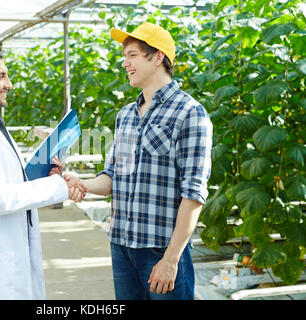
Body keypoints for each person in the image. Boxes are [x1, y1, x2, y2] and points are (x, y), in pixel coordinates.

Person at [65, 22, 213, 300]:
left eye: (132, 55)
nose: (125, 63)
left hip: (161, 250)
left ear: (157, 57)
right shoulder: (126, 115)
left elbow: (193, 195)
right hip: (121, 244)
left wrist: (170, 260)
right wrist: (81, 183)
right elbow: (112, 177)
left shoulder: (190, 112)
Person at [0, 42, 87, 299]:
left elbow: (9, 181)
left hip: (7, 251)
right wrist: (60, 188)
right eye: (0, 77)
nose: (9, 84)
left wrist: (44, 177)